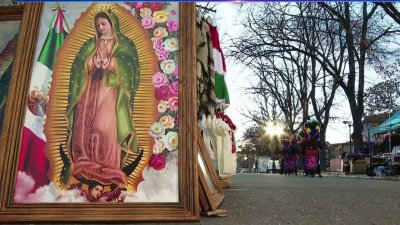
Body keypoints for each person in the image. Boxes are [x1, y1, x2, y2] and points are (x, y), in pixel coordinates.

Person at [65, 11, 141, 187]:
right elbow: (78, 67)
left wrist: (112, 62)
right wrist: (91, 62)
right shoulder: (91, 43)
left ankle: (108, 167)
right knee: (86, 126)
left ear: (112, 24)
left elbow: (131, 68)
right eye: (98, 25)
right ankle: (85, 162)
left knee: (103, 126)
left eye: (103, 24)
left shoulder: (124, 45)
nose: (100, 28)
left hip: (110, 91)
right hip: (89, 91)